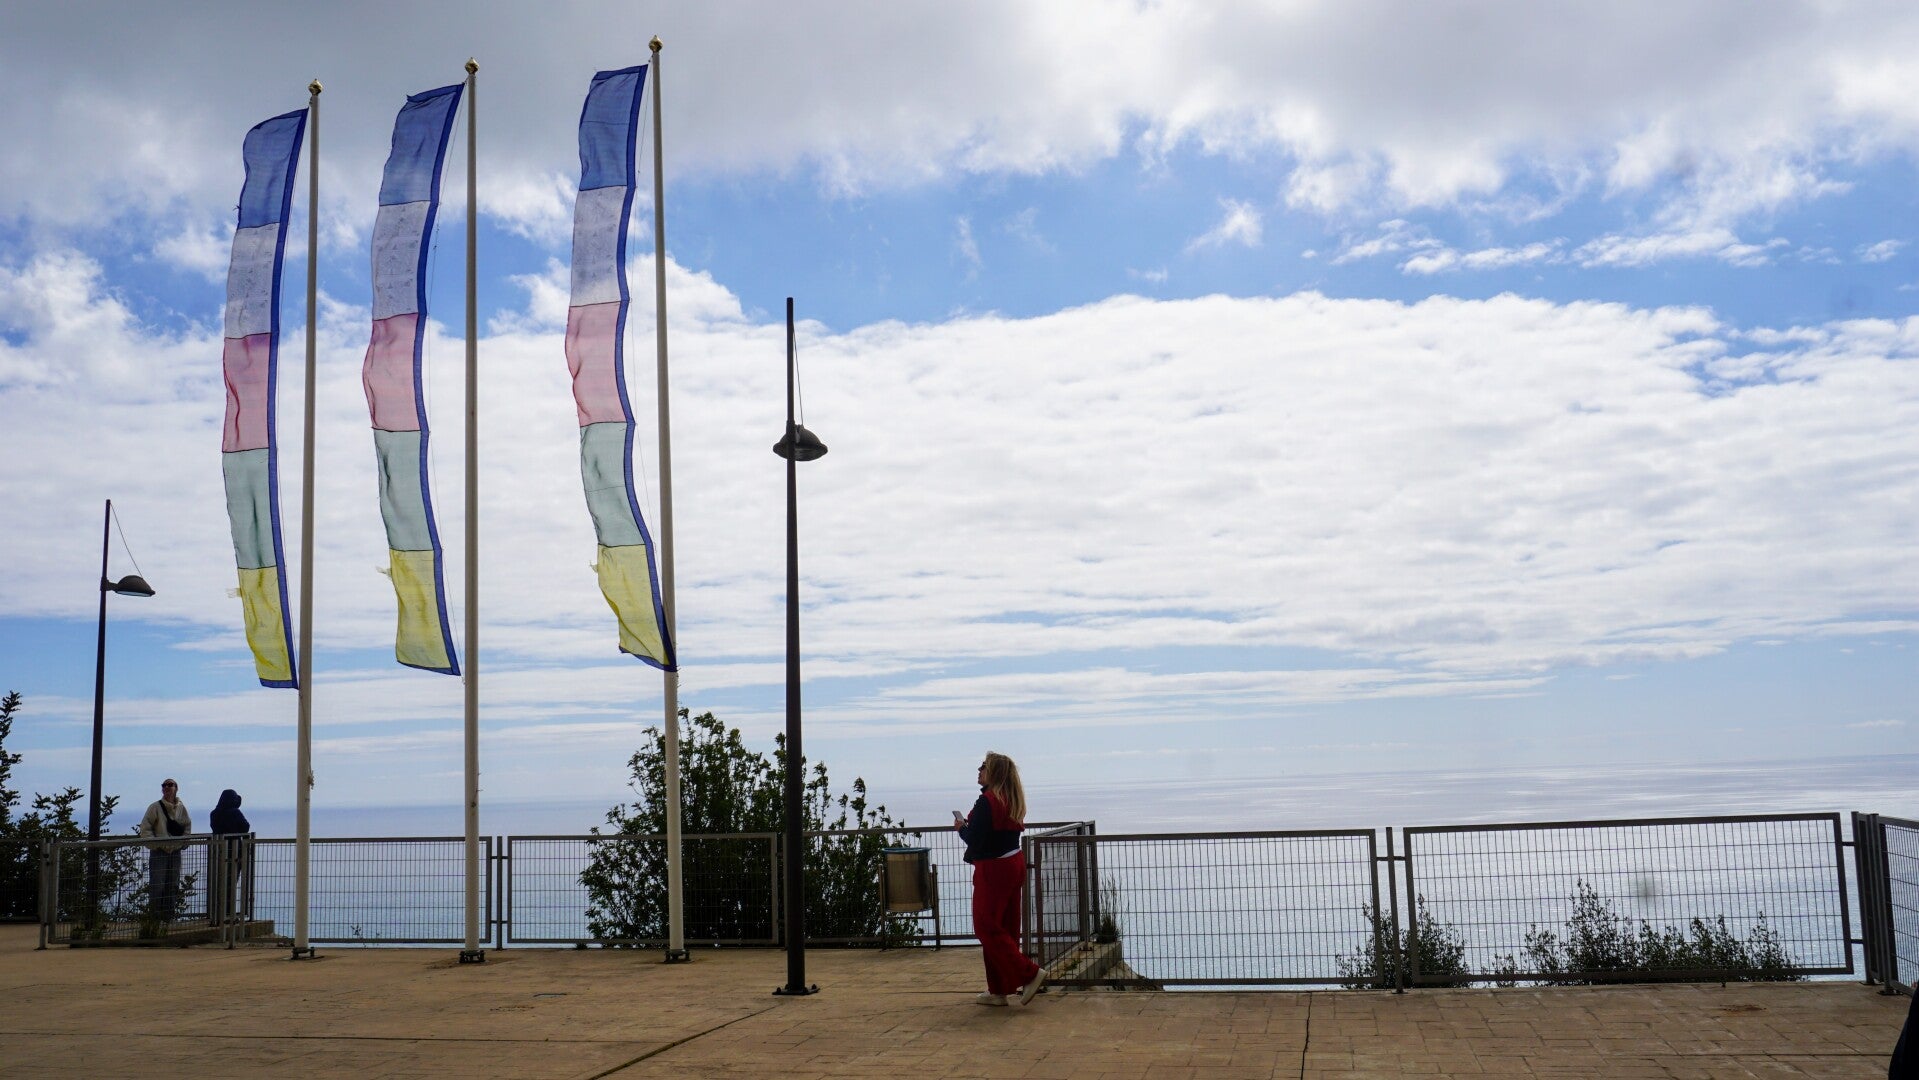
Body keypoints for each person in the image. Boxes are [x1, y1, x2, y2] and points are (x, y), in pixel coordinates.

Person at [954, 751, 1044, 1007]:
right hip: (1013, 862)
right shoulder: (1011, 799)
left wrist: (961, 829)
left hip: (993, 868)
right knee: (1006, 927)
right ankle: (999, 990)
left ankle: (1029, 973)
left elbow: (976, 839)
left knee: (986, 926)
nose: (979, 770)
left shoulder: (988, 801)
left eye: (983, 766)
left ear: (993, 773)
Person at [135, 779, 191, 921]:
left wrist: (182, 843)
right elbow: (145, 827)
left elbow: (187, 826)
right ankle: (155, 918)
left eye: (170, 785)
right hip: (159, 851)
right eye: (164, 785)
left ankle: (168, 917)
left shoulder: (181, 807)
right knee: (157, 885)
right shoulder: (155, 807)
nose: (166, 787)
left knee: (172, 884)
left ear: (176, 788)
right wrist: (155, 844)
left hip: (175, 851)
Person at [208, 789, 249, 925]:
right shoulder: (235, 812)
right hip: (235, 853)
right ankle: (229, 914)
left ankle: (217, 914)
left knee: (219, 884)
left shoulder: (214, 813)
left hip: (218, 851)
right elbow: (245, 827)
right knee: (231, 884)